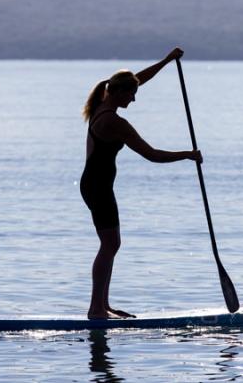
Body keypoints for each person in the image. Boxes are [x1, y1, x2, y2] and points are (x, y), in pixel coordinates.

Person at [80, 47, 202, 319]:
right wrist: (188, 155)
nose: (134, 99)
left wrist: (166, 62)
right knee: (109, 245)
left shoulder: (102, 100)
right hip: (98, 187)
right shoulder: (115, 122)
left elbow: (137, 79)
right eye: (132, 94)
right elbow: (152, 155)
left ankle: (103, 305)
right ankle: (95, 309)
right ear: (120, 93)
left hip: (93, 183)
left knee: (112, 244)